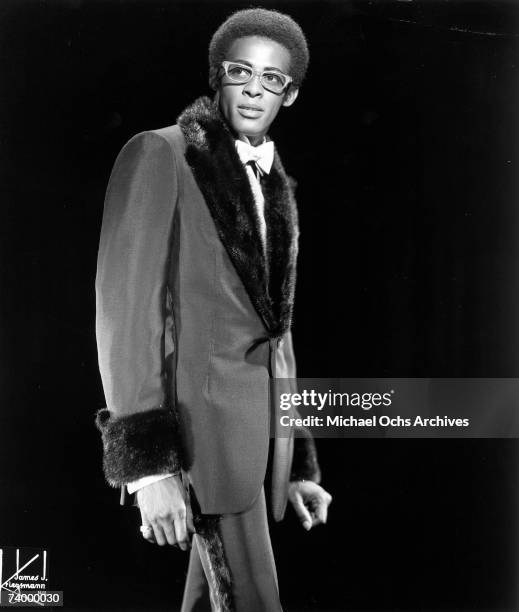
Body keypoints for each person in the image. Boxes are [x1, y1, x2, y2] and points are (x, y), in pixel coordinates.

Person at [94, 8, 332, 611]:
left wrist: (296, 457)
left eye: (273, 79)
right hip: (198, 442)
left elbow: (276, 335)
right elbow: (125, 317)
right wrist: (149, 470)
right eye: (240, 71)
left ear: (291, 93)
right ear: (216, 77)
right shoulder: (160, 153)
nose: (255, 88)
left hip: (255, 447)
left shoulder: (276, 181)